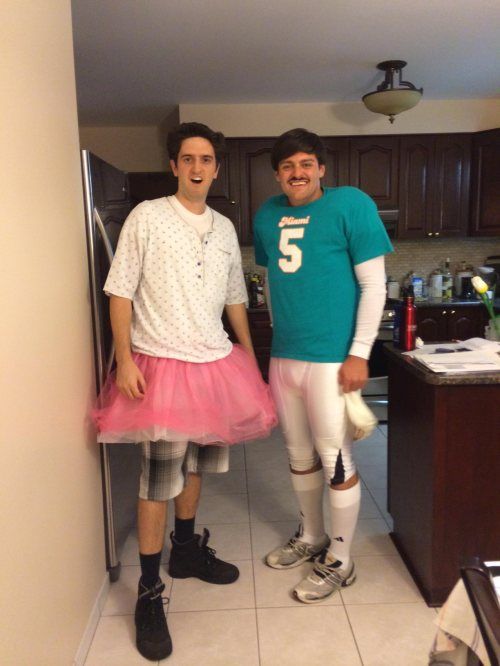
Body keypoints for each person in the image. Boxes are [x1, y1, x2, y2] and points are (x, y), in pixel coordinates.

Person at [93, 122, 276, 661]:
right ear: (174, 166)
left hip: (216, 364)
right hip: (162, 367)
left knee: (198, 467)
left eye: (206, 159)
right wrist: (125, 359)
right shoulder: (146, 217)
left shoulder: (222, 227)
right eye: (188, 158)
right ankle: (150, 591)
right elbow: (119, 291)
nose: (198, 167)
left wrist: (249, 357)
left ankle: (186, 552)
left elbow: (234, 297)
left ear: (215, 168)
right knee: (157, 480)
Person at [253, 128, 393, 604]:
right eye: (288, 166)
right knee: (297, 455)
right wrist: (277, 332)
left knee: (337, 459)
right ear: (277, 173)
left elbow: (375, 286)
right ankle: (311, 535)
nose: (297, 173)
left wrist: (358, 352)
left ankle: (341, 556)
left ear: (321, 169)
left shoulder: (350, 203)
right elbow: (273, 278)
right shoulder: (267, 214)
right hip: (285, 354)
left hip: (332, 356)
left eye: (306, 164)